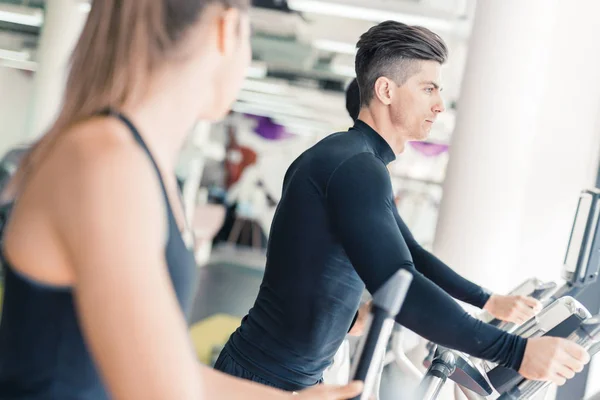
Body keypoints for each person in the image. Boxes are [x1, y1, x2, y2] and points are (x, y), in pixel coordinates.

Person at [0, 1, 363, 399]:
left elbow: (165, 370)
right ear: (227, 30)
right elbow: (158, 391)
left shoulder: (130, 162)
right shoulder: (106, 163)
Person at [214, 20, 591, 393]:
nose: (440, 105)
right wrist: (517, 352)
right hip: (264, 377)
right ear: (386, 90)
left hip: (286, 376)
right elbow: (401, 281)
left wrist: (487, 300)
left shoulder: (354, 159)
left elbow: (408, 253)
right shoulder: (354, 166)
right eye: (428, 89)